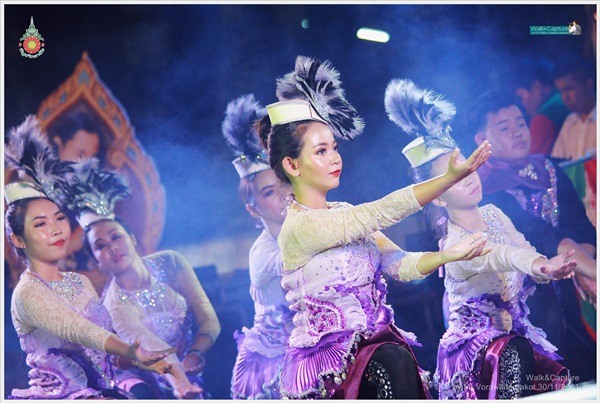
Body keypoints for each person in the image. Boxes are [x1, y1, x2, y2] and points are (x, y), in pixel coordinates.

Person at [258, 55, 492, 399]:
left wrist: (448, 255)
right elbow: (380, 212)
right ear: (292, 165)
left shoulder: (345, 214)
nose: (335, 158)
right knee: (393, 360)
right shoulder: (299, 227)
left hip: (375, 351)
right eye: (321, 151)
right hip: (330, 365)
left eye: (334, 148)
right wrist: (447, 179)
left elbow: (398, 263)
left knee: (395, 359)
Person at [385, 78, 576, 399]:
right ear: (439, 197)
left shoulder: (493, 213)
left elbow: (521, 248)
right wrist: (542, 265)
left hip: (512, 337)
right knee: (514, 358)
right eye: (455, 177)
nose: (469, 177)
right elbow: (501, 254)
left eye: (467, 166)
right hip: (480, 352)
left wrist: (545, 268)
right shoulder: (455, 242)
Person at [4, 115, 174, 399]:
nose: (56, 229)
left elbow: (101, 357)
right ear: (18, 240)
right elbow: (77, 329)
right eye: (41, 224)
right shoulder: (27, 293)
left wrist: (137, 361)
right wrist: (129, 349)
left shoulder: (80, 282)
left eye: (59, 218)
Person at [467, 88, 597, 380]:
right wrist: (589, 269)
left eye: (520, 123)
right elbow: (541, 235)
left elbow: (582, 230)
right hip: (519, 310)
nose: (518, 132)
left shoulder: (548, 170)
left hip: (570, 295)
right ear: (481, 140)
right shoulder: (483, 187)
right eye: (504, 127)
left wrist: (583, 270)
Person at [66, 159, 222, 399]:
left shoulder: (171, 262)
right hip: (143, 379)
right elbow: (153, 349)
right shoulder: (115, 306)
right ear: (97, 261)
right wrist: (180, 384)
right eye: (100, 246)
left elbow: (207, 318)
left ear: (132, 237)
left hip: (188, 365)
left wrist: (196, 352)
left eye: (116, 237)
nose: (112, 247)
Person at [222, 94, 294, 399]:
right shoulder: (261, 252)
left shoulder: (307, 225)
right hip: (274, 361)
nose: (282, 195)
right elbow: (293, 260)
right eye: (268, 192)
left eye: (283, 184)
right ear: (252, 210)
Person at [512, 56, 570, 155]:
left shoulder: (543, 117)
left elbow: (532, 159)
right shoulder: (561, 99)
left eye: (521, 96)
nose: (522, 103)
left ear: (537, 86)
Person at [551, 56, 596, 162]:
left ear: (589, 85)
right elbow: (557, 163)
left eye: (569, 89)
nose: (565, 97)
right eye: (561, 91)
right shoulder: (569, 123)